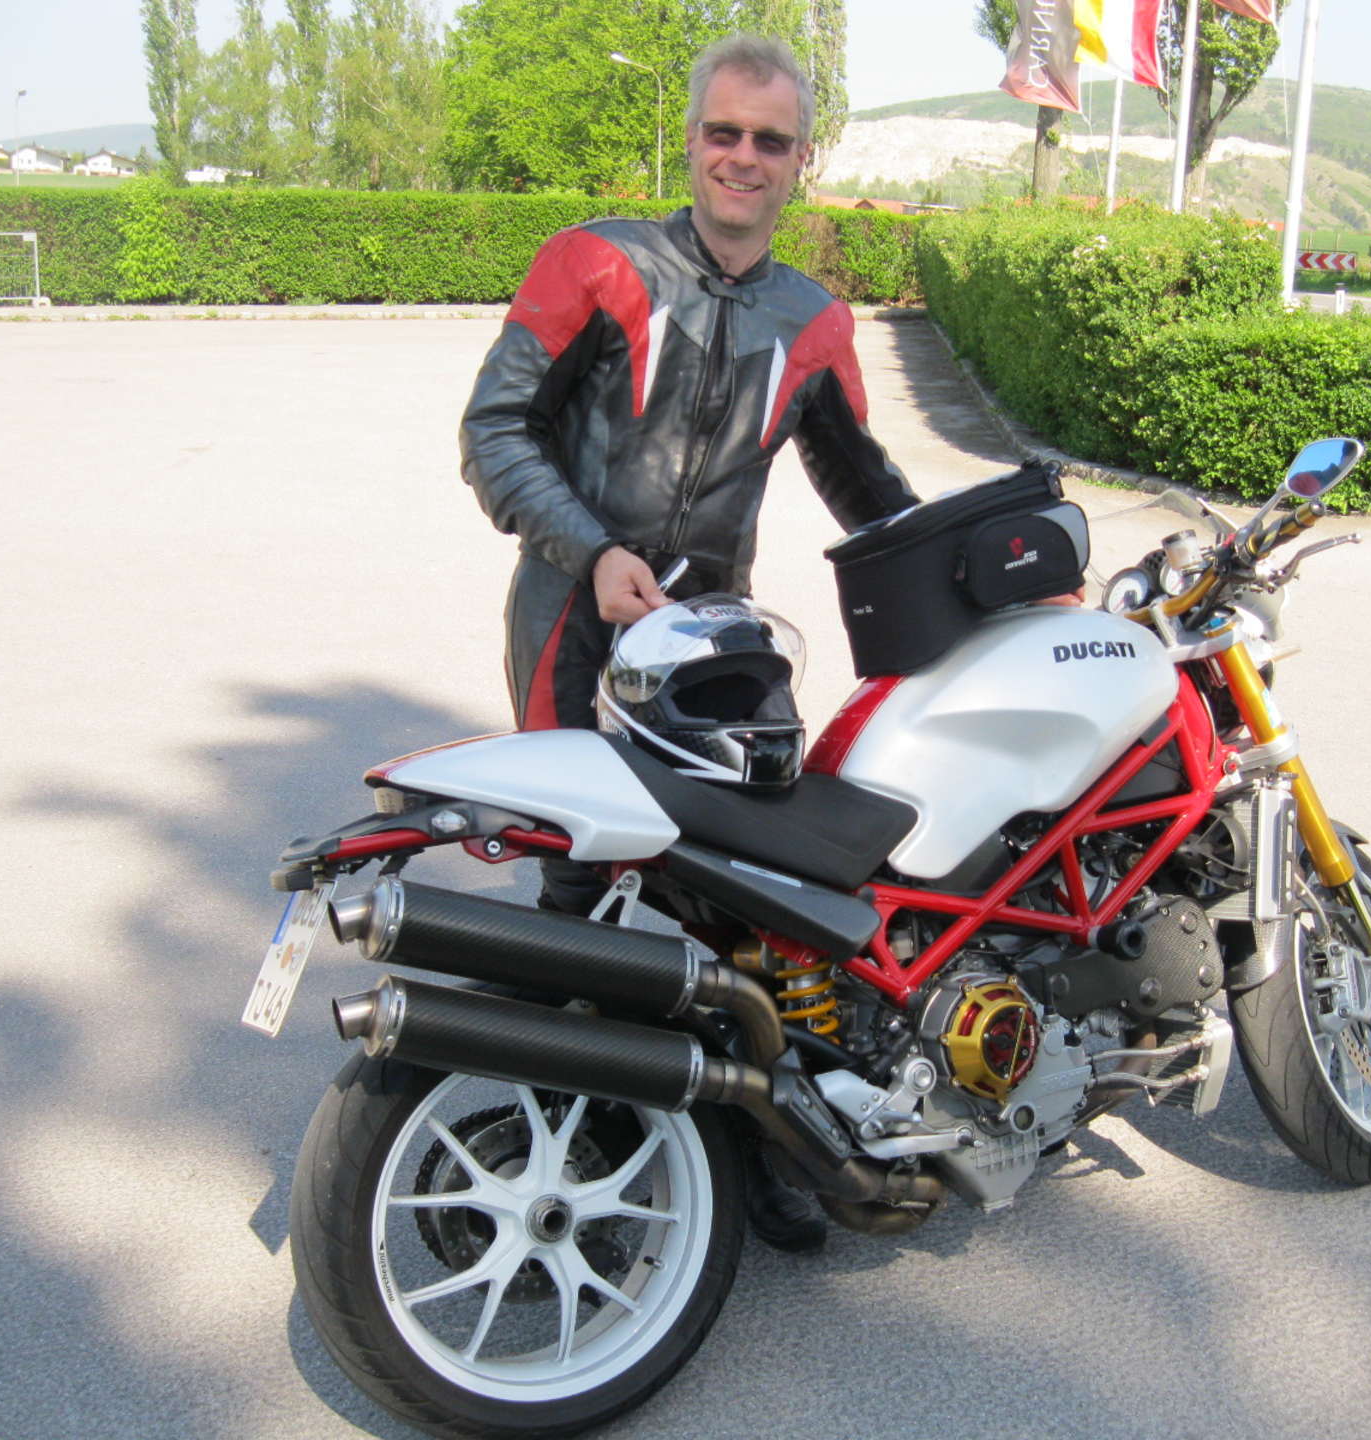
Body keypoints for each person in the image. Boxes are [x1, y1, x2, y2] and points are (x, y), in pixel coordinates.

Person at [457, 33, 919, 1253]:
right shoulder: (595, 261)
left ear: (802, 160)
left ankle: (764, 1143)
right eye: (725, 132)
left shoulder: (815, 320)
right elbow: (495, 432)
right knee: (580, 889)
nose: (743, 157)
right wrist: (589, 549)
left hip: (714, 645)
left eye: (771, 140)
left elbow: (866, 488)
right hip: (573, 618)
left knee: (755, 899)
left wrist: (976, 571)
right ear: (693, 139)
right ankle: (568, 1147)